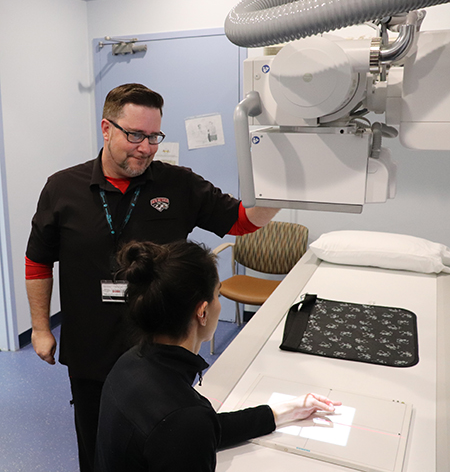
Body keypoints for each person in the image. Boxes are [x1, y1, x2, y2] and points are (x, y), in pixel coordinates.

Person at [25, 83, 279, 472]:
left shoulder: (179, 185)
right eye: (135, 135)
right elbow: (38, 261)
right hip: (91, 351)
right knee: (97, 450)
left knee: (164, 442)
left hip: (161, 353)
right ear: (106, 129)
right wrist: (41, 328)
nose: (145, 147)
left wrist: (289, 186)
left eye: (154, 136)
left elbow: (243, 221)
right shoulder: (62, 188)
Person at [94, 240, 341, 472]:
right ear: (202, 312)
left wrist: (281, 412)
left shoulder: (129, 363)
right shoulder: (183, 417)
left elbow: (202, 428)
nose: (219, 303)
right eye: (218, 295)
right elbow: (188, 427)